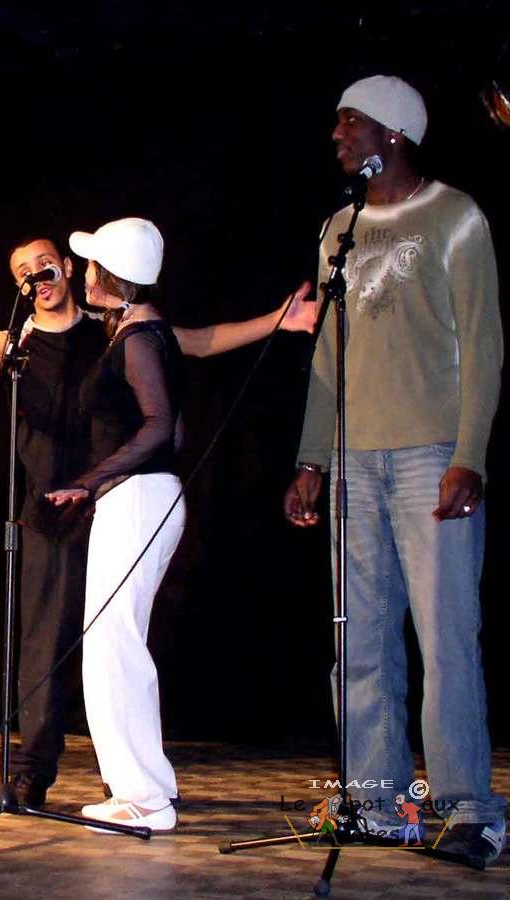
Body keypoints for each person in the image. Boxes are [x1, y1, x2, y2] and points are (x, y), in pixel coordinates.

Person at [0, 234, 316, 808]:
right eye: (24, 270)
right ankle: (34, 770)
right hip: (51, 511)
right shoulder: (14, 343)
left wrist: (277, 320)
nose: (37, 274)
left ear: (66, 267)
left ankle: (128, 777)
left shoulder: (112, 327)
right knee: (43, 643)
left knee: (117, 642)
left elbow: (195, 341)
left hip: (115, 498)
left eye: (45, 263)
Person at [283, 74, 505, 863]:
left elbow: (484, 344)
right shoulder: (338, 230)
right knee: (361, 641)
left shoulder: (455, 216)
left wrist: (469, 454)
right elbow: (328, 354)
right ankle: (377, 803)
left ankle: (470, 809)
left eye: (351, 122)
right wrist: (312, 457)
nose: (337, 136)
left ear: (394, 132)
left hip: (429, 455)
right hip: (353, 460)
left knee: (446, 639)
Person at [41, 218, 183, 832]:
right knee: (117, 643)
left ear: (114, 276)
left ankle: (143, 797)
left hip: (139, 498)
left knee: (111, 646)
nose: (86, 273)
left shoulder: (141, 338)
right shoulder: (139, 332)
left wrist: (92, 479)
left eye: (94, 264)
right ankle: (147, 786)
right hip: (144, 497)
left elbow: (161, 426)